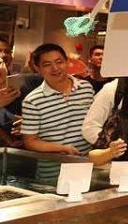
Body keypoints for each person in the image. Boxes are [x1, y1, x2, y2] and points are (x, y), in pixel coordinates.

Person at [21, 43, 95, 182]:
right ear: (37, 68)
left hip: (86, 169)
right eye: (47, 64)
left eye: (59, 62)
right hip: (52, 174)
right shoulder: (32, 100)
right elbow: (30, 141)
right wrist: (61, 148)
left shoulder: (86, 88)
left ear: (67, 62)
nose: (55, 68)